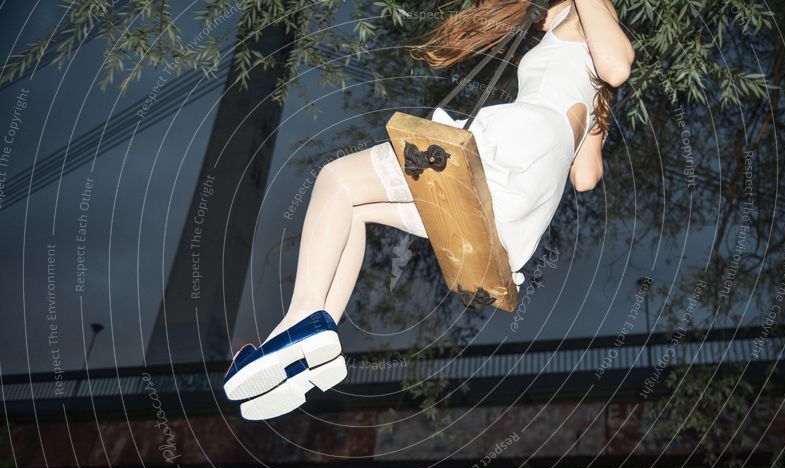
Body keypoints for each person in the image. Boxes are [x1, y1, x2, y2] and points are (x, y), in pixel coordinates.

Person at [223, 0, 635, 420]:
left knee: (335, 178)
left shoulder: (591, 9)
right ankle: (308, 338)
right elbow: (586, 176)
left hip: (512, 153)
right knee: (355, 208)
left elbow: (619, 64)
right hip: (523, 202)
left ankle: (301, 321)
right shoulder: (594, 82)